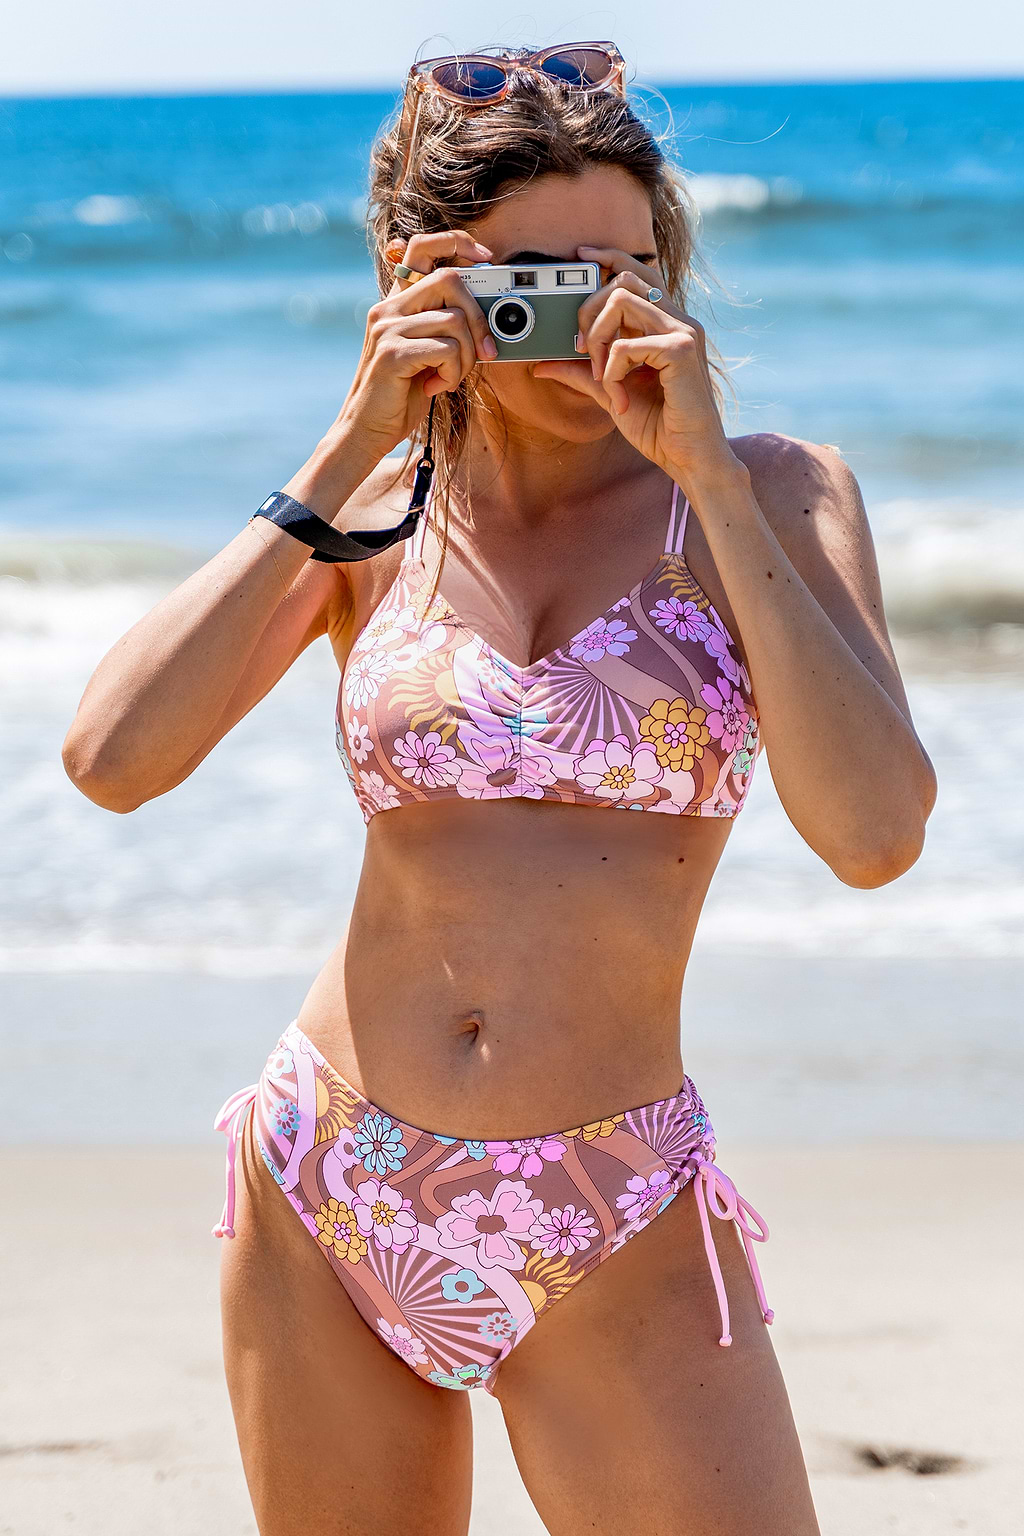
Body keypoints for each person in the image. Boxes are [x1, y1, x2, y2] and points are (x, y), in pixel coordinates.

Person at [63, 43, 937, 1536]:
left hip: (610, 1196)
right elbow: (114, 760)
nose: (599, 312)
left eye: (631, 266)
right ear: (428, 274)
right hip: (329, 1171)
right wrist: (347, 442)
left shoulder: (772, 490)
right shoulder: (372, 512)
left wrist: (710, 477)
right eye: (542, 272)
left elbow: (871, 837)